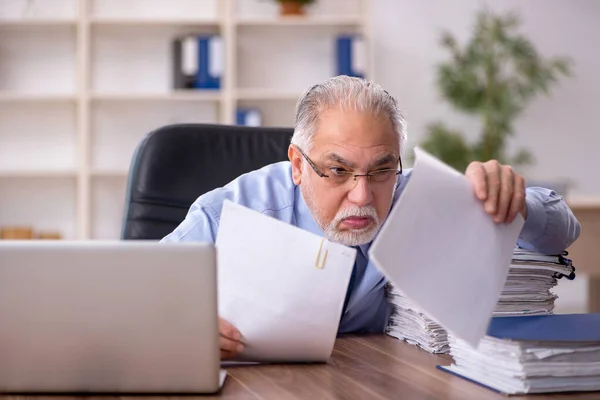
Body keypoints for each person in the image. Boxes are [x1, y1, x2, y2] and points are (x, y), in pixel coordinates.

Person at [161, 76, 581, 360]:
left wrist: (518, 203)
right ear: (297, 163)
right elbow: (140, 306)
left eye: (382, 169)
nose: (362, 196)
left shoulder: (414, 198)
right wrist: (180, 327)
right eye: (338, 171)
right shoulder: (229, 213)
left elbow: (561, 231)